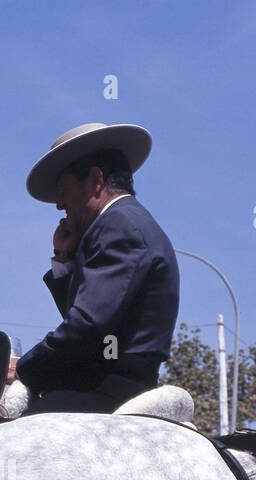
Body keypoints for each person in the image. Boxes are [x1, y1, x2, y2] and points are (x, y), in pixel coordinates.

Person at [11, 122, 179, 413]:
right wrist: (64, 257)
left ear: (96, 179)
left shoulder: (118, 224)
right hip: (107, 384)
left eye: (63, 190)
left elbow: (86, 327)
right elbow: (91, 322)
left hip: (105, 388)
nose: (59, 204)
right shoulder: (122, 222)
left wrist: (22, 367)